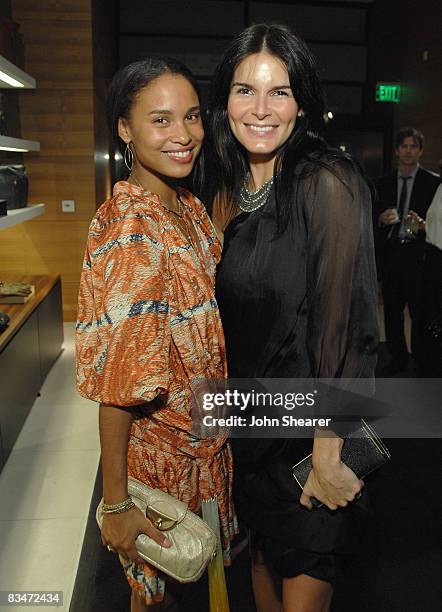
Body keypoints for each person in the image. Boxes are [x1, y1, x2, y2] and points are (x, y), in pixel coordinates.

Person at [203, 23, 379, 612]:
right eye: (244, 90)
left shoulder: (327, 181)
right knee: (261, 579)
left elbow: (348, 322)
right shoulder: (224, 190)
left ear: (301, 101)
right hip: (249, 434)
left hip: (311, 442)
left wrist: (328, 445)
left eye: (279, 91)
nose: (260, 109)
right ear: (223, 100)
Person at [76, 57, 237, 612]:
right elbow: (120, 386)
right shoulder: (134, 231)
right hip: (161, 464)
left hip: (205, 447)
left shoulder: (185, 207)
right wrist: (117, 504)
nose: (184, 135)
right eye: (161, 120)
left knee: (197, 586)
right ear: (125, 128)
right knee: (156, 596)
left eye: (191, 117)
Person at [375, 127, 440, 375]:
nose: (409, 151)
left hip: (420, 256)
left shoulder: (434, 183)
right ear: (396, 151)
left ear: (420, 150)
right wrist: (381, 219)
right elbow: (372, 217)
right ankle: (398, 359)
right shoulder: (382, 183)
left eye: (413, 146)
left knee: (419, 312)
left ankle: (422, 361)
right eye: (404, 146)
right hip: (392, 253)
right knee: (391, 312)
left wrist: (424, 225)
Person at [421, 182, 442, 376]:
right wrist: (422, 224)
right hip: (433, 260)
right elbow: (436, 227)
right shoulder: (439, 187)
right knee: (432, 317)